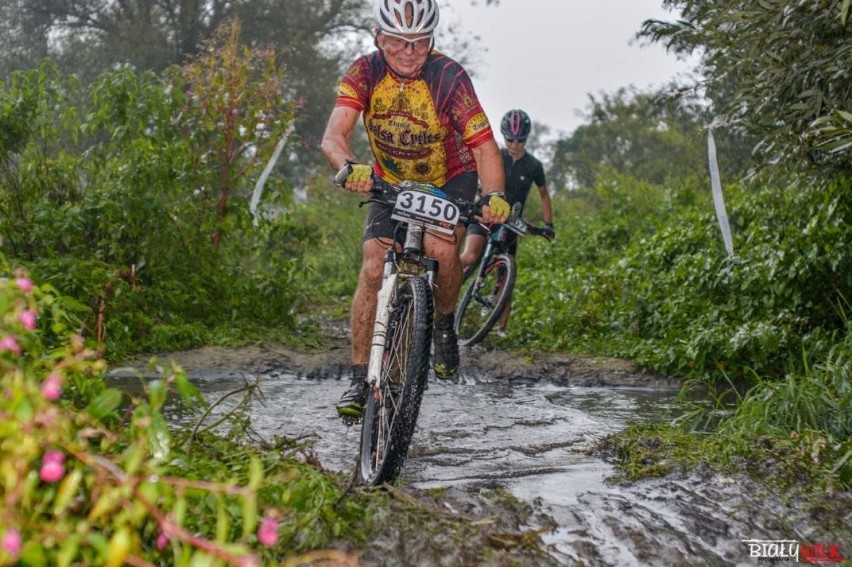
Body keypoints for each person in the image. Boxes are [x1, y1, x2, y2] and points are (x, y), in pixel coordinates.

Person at [320, 0, 510, 419]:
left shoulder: (449, 77)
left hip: (449, 177)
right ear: (379, 37)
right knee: (373, 266)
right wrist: (348, 166)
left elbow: (484, 147)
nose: (409, 51)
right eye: (399, 42)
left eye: (420, 42)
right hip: (390, 179)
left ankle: (443, 323)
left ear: (432, 41)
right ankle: (358, 376)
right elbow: (334, 134)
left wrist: (495, 194)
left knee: (443, 253)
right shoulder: (364, 72)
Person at [459, 109, 554, 338]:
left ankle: (501, 329)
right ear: (504, 137)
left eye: (520, 140)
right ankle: (441, 283)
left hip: (511, 222)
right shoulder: (496, 156)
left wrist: (548, 224)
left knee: (507, 273)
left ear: (526, 138)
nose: (515, 144)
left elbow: (544, 195)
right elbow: (477, 174)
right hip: (486, 212)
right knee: (471, 256)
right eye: (510, 139)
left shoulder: (533, 165)